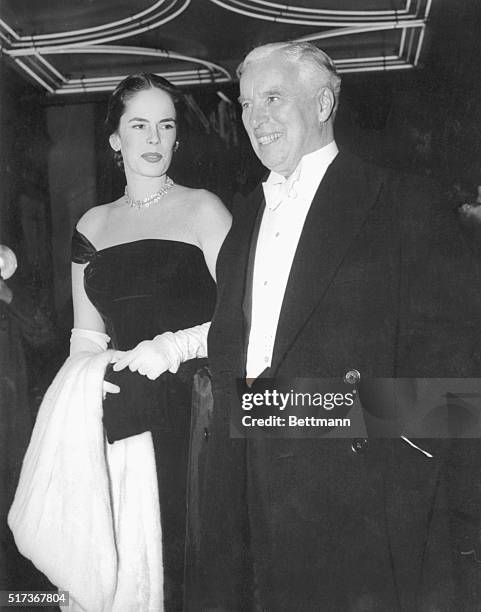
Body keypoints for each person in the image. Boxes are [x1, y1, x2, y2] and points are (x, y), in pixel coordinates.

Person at [115, 43, 481, 610]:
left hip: (360, 506)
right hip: (247, 493)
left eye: (273, 98)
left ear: (324, 103)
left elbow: (455, 398)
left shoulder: (401, 203)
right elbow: (231, 349)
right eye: (244, 104)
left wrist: (317, 417)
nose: (255, 118)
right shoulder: (246, 217)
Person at [9, 73, 231, 611]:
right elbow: (86, 336)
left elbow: (239, 320)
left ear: (177, 138)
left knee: (180, 563)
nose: (154, 139)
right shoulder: (91, 223)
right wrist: (87, 395)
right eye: (139, 126)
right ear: (116, 140)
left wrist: (171, 348)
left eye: (165, 126)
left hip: (191, 410)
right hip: (118, 413)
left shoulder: (205, 209)